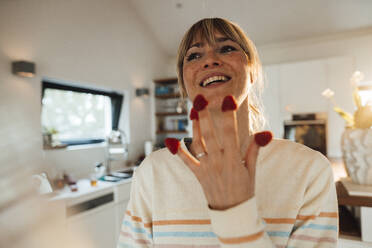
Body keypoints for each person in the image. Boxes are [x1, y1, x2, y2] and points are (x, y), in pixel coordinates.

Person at [117, 18, 338, 247]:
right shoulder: (152, 171)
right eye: (194, 55)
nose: (211, 60)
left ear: (252, 71)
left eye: (227, 48)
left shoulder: (310, 169)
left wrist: (237, 217)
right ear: (184, 83)